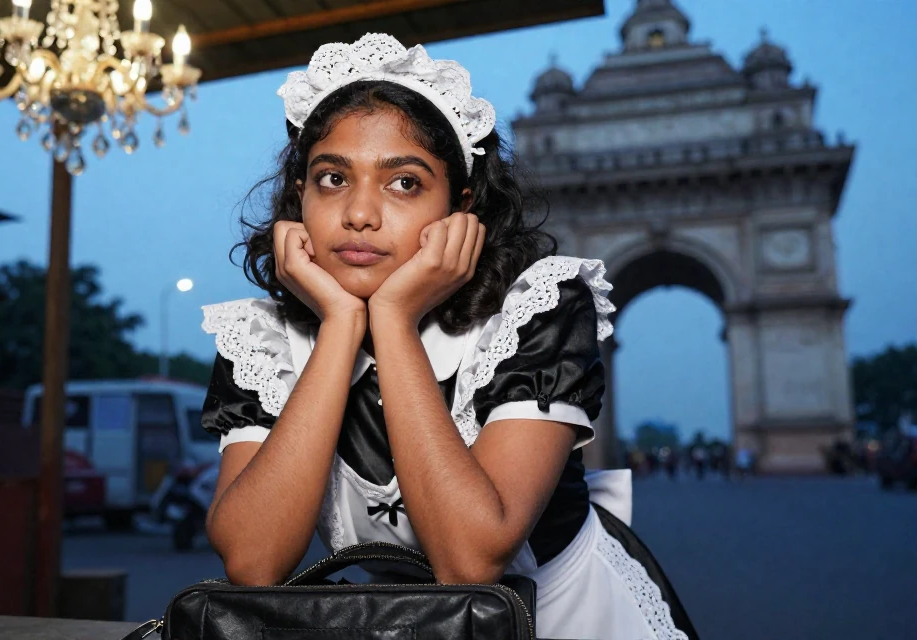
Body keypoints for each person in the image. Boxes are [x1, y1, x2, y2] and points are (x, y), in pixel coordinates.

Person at [199, 34, 696, 640]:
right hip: (394, 626)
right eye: (331, 178)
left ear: (460, 210)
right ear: (298, 195)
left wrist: (394, 318)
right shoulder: (260, 339)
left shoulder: (537, 310)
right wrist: (340, 325)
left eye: (403, 183)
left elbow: (470, 559)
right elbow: (253, 562)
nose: (359, 213)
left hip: (570, 619)